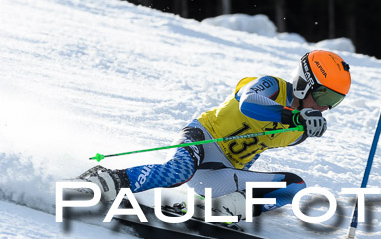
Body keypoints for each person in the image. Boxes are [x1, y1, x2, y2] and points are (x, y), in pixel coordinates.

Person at [78, 50, 351, 221]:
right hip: (201, 139)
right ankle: (106, 180)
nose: (325, 107)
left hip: (221, 172)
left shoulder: (300, 131)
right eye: (324, 95)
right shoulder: (270, 85)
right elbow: (249, 103)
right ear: (305, 83)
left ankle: (218, 209)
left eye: (334, 101)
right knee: (178, 171)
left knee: (294, 186)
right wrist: (292, 116)